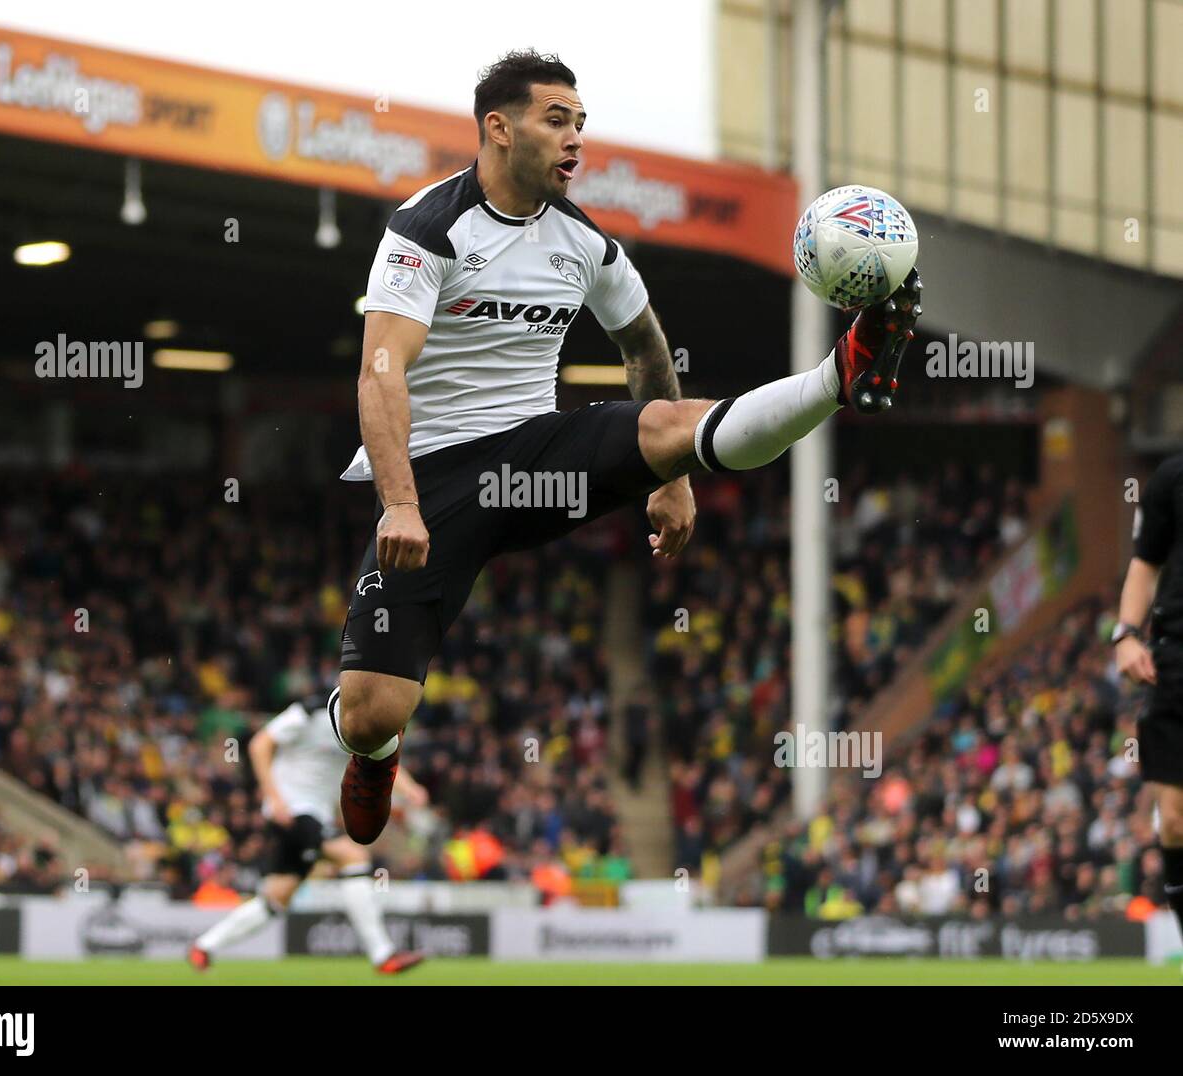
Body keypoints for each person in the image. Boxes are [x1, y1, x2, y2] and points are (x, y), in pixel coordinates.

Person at [329, 48, 922, 844]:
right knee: (372, 715)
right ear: (498, 129)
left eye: (581, 123)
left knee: (670, 423)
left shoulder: (585, 242)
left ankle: (837, 373)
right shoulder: (426, 228)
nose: (576, 139)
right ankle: (376, 752)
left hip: (536, 456)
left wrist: (671, 480)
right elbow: (380, 372)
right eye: (556, 120)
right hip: (433, 482)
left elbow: (647, 352)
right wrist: (399, 501)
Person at [189, 694, 427, 974]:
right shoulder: (309, 711)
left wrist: (410, 789)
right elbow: (260, 744)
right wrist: (273, 797)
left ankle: (203, 947)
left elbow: (382, 764)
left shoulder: (362, 728)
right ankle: (382, 954)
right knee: (353, 857)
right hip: (293, 810)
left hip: (311, 816)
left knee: (279, 894)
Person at [1114, 451, 1183, 945]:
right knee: (1176, 821)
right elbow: (1145, 561)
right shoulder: (1171, 477)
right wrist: (1125, 635)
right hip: (1175, 660)